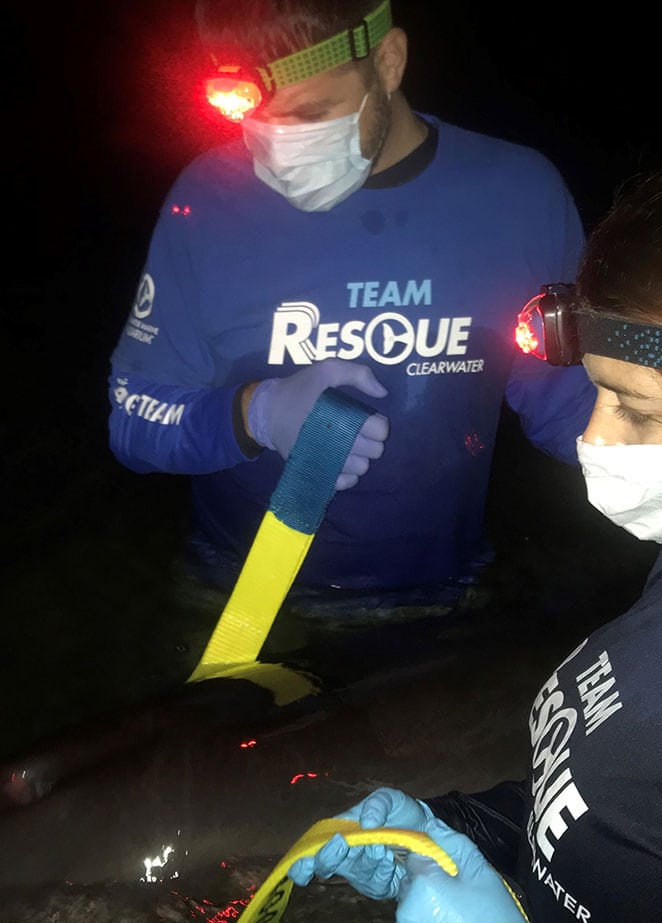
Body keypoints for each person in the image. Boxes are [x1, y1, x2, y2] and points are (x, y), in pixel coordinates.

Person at [288, 131, 662, 923]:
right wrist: (460, 831)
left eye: (638, 411)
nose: (591, 438)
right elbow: (643, 809)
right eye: (597, 391)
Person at [107, 0, 596, 613]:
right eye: (256, 121)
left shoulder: (517, 193)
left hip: (444, 590)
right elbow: (134, 421)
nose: (281, 151)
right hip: (240, 591)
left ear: (388, 61)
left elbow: (573, 409)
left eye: (312, 114)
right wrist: (253, 415)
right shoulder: (206, 202)